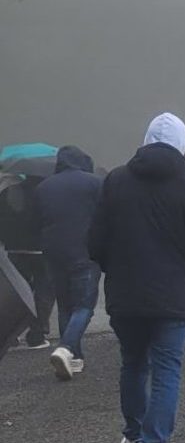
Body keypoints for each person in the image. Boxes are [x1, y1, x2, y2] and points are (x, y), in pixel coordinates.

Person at [87, 113, 185, 443]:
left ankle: (133, 438)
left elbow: (95, 240)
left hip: (124, 293)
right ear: (183, 144)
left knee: (132, 363)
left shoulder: (115, 180)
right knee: (166, 370)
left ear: (145, 140)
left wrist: (115, 268)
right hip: (173, 294)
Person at [35, 146, 101, 380]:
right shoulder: (94, 183)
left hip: (53, 252)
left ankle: (74, 359)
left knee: (64, 305)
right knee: (84, 306)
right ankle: (67, 348)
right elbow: (103, 216)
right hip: (84, 251)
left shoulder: (44, 186)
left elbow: (38, 220)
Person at [1, 170, 54, 348]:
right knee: (44, 292)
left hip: (15, 249)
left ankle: (11, 334)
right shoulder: (47, 191)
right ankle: (36, 335)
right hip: (41, 249)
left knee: (16, 292)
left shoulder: (9, 191)